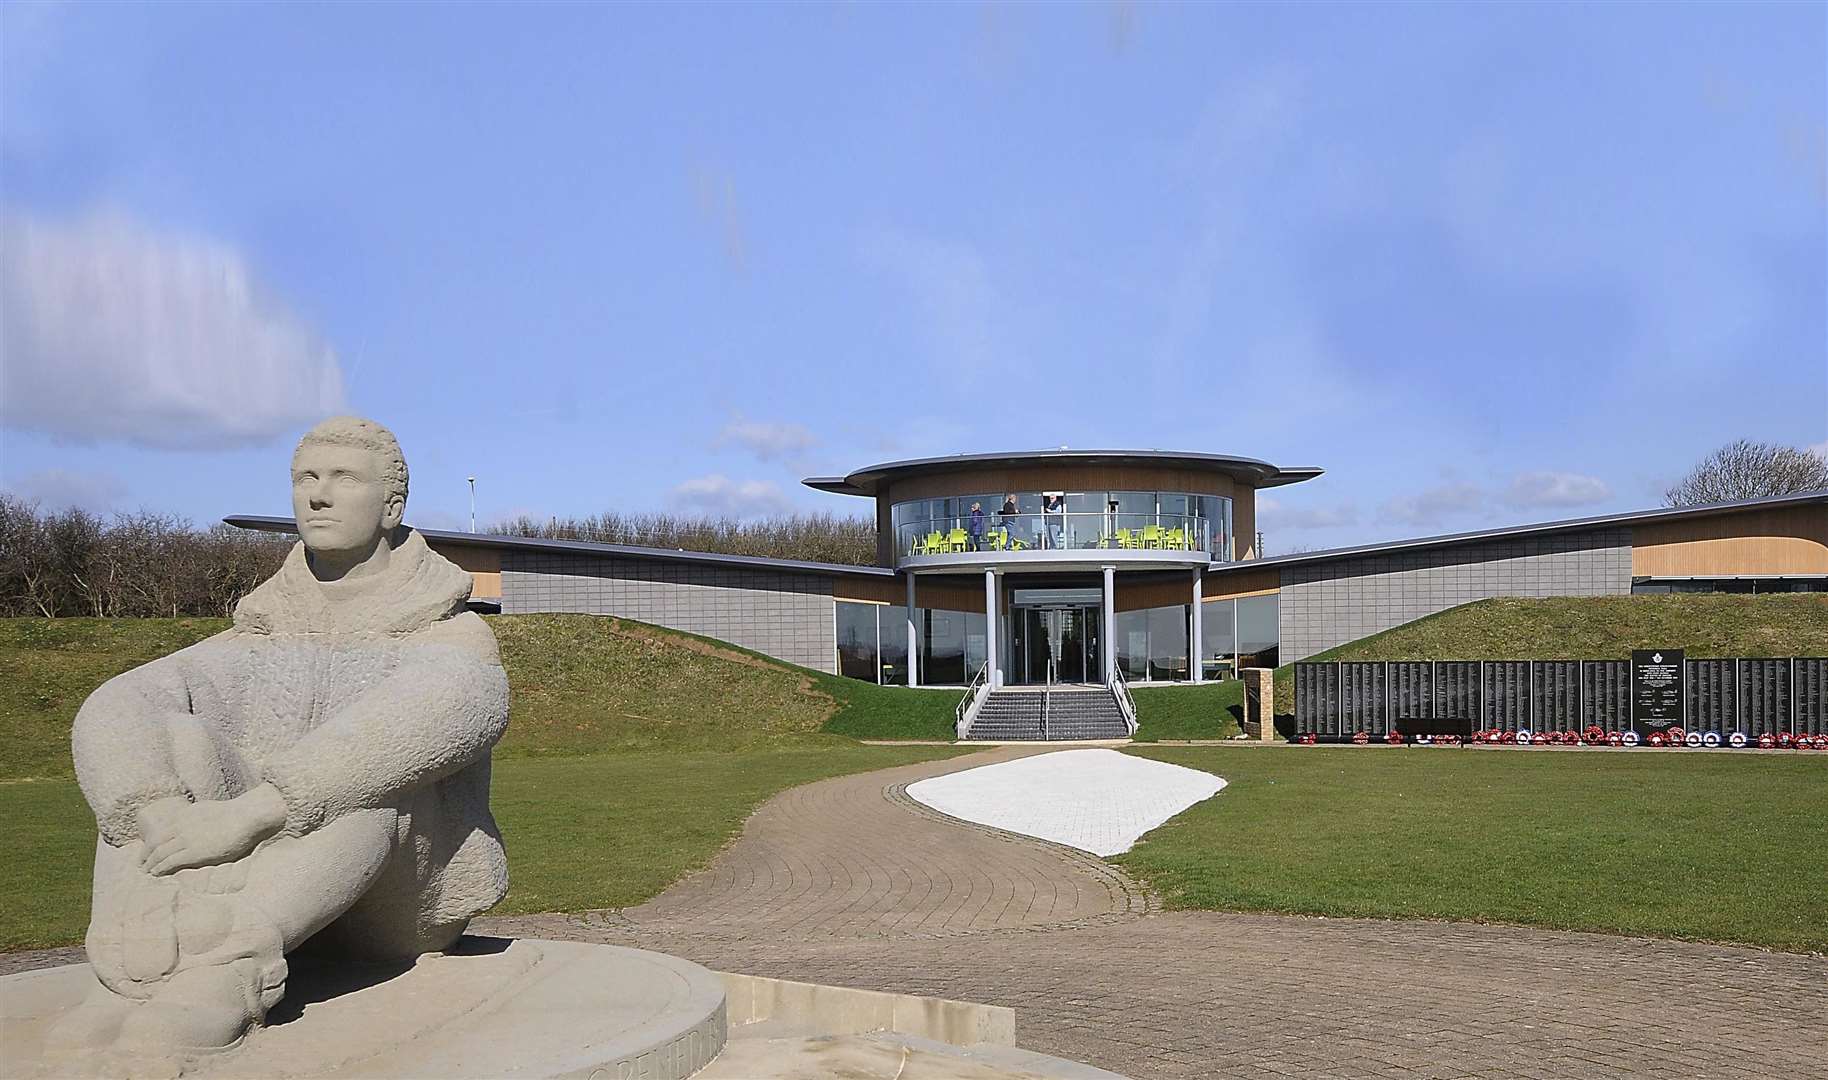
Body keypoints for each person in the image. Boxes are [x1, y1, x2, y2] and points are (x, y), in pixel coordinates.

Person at [58, 416, 509, 1060]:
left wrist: (253, 813)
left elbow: (456, 705)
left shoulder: (446, 630)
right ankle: (143, 967)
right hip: (269, 870)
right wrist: (151, 812)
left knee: (368, 787)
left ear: (392, 506)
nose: (317, 496)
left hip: (394, 906)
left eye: (343, 479)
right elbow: (123, 702)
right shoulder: (264, 627)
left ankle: (227, 975)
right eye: (306, 479)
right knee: (177, 738)